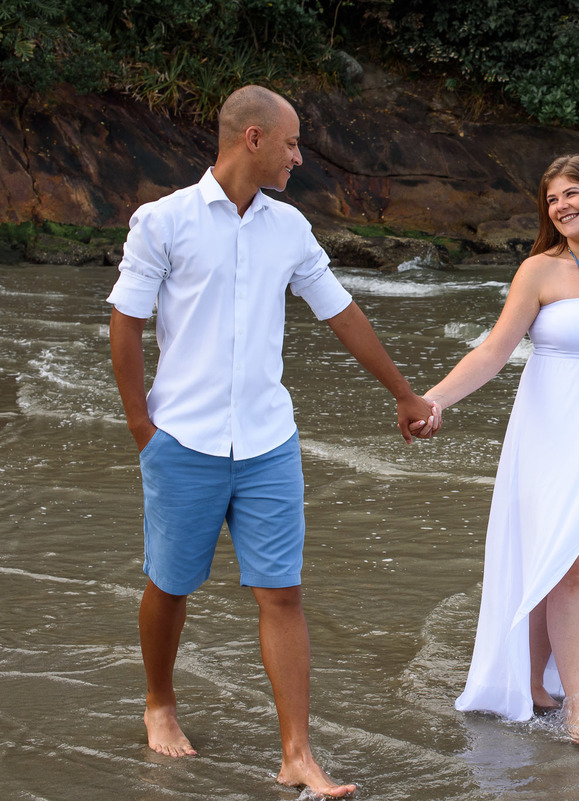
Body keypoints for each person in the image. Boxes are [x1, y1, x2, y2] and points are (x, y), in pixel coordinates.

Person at [107, 85, 434, 797]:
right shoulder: (162, 221)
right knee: (171, 584)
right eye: (291, 143)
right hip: (182, 438)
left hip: (267, 441)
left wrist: (404, 393)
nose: (299, 157)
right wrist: (143, 426)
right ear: (251, 138)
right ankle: (159, 701)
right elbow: (126, 323)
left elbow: (340, 312)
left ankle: (297, 754)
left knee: (281, 592)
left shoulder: (290, 229)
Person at [419, 154, 579, 745]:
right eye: (551, 199)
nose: (560, 206)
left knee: (562, 561)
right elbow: (492, 352)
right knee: (573, 559)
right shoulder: (537, 271)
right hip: (547, 436)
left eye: (570, 194)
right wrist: (433, 400)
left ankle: (534, 682)